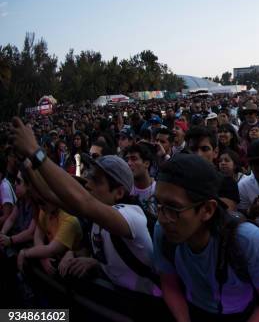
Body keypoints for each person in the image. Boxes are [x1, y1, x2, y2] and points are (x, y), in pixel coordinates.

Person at [10, 116, 161, 296]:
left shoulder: (132, 216)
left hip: (151, 313)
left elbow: (83, 202)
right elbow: (49, 194)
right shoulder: (97, 219)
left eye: (96, 181)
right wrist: (27, 163)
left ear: (119, 192)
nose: (88, 185)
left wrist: (35, 151)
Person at [152, 154, 259, 322]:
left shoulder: (247, 240)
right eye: (158, 205)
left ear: (207, 209)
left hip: (242, 318)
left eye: (174, 208)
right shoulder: (162, 232)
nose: (162, 218)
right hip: (194, 313)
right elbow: (169, 284)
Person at [185, 126, 240, 211]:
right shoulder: (180, 180)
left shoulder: (226, 184)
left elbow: (224, 216)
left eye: (205, 149)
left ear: (215, 152)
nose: (198, 154)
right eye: (193, 149)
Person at [126, 143, 157, 216]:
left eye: (134, 159)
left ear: (146, 164)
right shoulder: (125, 189)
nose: (129, 163)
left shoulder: (158, 191)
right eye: (128, 159)